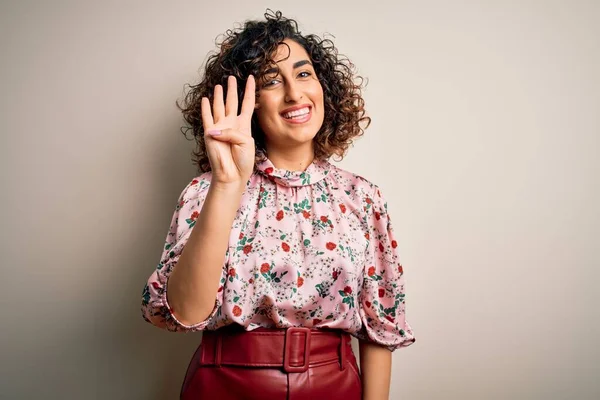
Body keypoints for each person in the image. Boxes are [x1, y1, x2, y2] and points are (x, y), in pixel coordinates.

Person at [141, 10, 415, 400]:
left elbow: (380, 326)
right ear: (246, 103)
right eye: (271, 80)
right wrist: (227, 184)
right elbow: (183, 313)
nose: (293, 93)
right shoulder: (206, 191)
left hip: (335, 386)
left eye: (304, 74)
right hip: (224, 385)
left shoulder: (362, 197)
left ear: (325, 88)